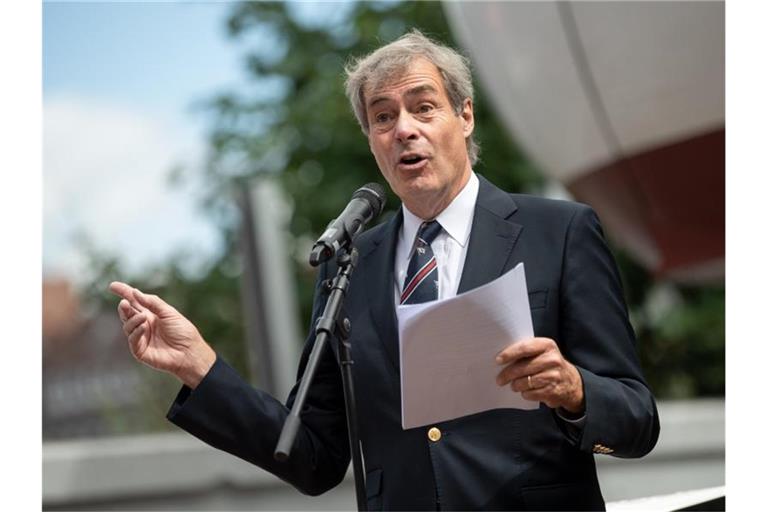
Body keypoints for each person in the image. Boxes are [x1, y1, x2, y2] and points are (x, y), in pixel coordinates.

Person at [110, 30, 659, 510]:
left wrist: (575, 391)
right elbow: (314, 457)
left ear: (464, 116)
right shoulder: (349, 266)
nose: (403, 129)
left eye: (424, 108)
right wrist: (201, 367)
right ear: (371, 140)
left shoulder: (557, 233)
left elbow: (636, 421)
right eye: (382, 117)